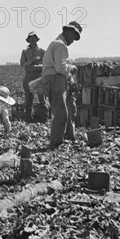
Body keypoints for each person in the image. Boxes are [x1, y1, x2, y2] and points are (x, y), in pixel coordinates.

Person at [41, 21, 82, 149]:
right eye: (73, 38)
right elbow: (60, 68)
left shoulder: (57, 43)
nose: (73, 41)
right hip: (55, 79)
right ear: (69, 32)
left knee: (64, 110)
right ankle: (56, 143)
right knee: (61, 114)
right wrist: (71, 68)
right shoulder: (60, 45)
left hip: (53, 79)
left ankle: (62, 139)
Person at [20, 31, 45, 121]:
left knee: (41, 97)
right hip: (29, 76)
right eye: (31, 38)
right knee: (28, 98)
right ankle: (29, 119)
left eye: (34, 38)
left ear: (36, 39)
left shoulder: (42, 51)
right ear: (29, 40)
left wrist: (40, 66)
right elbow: (22, 64)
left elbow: (47, 63)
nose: (33, 40)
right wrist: (31, 60)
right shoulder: (25, 51)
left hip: (39, 76)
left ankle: (43, 118)